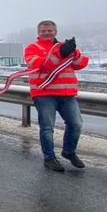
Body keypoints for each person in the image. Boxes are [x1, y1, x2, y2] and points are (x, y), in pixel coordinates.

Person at [24, 20, 89, 172]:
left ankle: (69, 152)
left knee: (76, 124)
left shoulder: (63, 47)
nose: (47, 33)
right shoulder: (32, 48)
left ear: (55, 31)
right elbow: (41, 65)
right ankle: (49, 157)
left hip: (67, 94)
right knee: (47, 128)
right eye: (43, 31)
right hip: (44, 94)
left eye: (50, 30)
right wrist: (60, 54)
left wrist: (74, 52)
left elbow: (80, 64)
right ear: (38, 33)